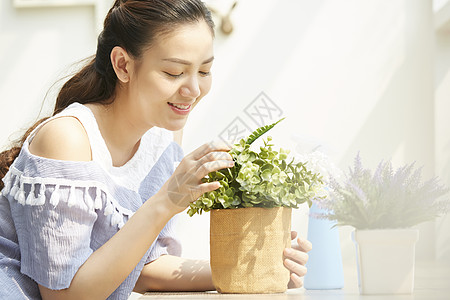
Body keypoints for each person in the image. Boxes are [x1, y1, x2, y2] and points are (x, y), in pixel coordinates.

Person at [0, 0, 312, 299]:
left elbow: (143, 267)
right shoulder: (68, 139)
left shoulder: (162, 138)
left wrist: (251, 269)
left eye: (204, 71)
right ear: (123, 65)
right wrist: (166, 201)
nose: (193, 90)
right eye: (174, 73)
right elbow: (66, 295)